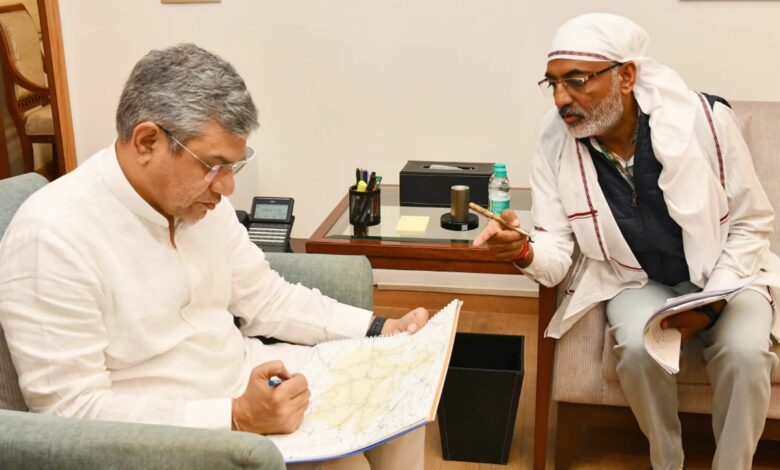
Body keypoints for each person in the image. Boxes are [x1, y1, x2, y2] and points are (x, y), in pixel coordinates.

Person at [0, 43, 429, 469]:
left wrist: (379, 329)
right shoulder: (53, 237)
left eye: (233, 167)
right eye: (212, 165)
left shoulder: (199, 204)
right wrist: (236, 417)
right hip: (172, 433)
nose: (227, 188)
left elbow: (266, 298)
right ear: (147, 141)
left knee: (401, 404)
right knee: (345, 466)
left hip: (246, 379)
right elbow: (72, 413)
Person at [473, 13, 780, 470]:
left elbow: (752, 222)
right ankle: (667, 462)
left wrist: (712, 306)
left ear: (626, 76)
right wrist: (521, 249)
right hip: (635, 279)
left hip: (728, 273)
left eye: (576, 81)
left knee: (746, 354)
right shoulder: (555, 141)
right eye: (552, 84)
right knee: (637, 352)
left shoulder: (704, 121)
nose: (560, 99)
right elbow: (555, 252)